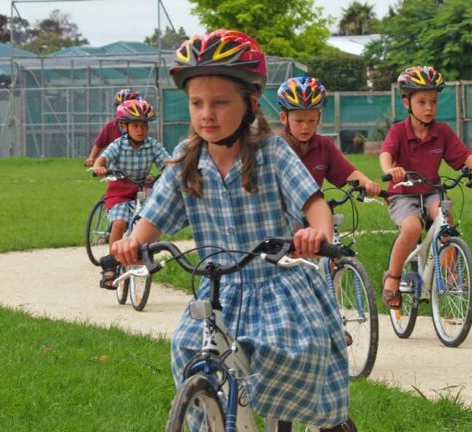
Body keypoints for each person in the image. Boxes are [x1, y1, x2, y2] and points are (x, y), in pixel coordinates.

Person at [109, 30, 355, 431]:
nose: (207, 113)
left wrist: (318, 235)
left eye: (220, 102)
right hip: (218, 289)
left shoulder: (272, 153)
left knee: (291, 355)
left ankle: (318, 422)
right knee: (187, 349)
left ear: (250, 104)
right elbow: (152, 220)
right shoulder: (187, 160)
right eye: (197, 103)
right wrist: (132, 243)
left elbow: (314, 205)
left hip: (277, 285)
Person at [379, 65, 472, 309]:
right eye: (421, 102)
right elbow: (385, 154)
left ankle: (449, 275)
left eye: (433, 102)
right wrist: (390, 170)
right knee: (411, 228)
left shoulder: (442, 132)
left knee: (445, 216)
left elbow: (464, 155)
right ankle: (393, 278)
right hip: (403, 194)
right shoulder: (398, 131)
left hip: (431, 191)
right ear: (407, 103)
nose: (428, 108)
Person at [92, 98, 170, 289]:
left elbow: (168, 163)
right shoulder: (118, 145)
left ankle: (144, 254)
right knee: (119, 223)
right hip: (120, 190)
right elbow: (101, 159)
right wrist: (99, 167)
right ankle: (110, 267)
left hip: (143, 189)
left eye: (144, 126)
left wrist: (174, 171)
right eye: (135, 125)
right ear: (124, 127)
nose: (140, 130)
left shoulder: (153, 145)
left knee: (149, 222)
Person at [276, 76, 381, 196]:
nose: (305, 127)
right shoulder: (274, 147)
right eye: (299, 121)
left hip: (314, 210)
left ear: (319, 118)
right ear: (284, 118)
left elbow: (347, 173)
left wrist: (368, 184)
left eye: (311, 121)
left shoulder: (324, 146)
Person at [84, 88, 142, 167]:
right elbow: (99, 144)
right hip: (115, 169)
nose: (140, 129)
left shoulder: (141, 129)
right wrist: (91, 158)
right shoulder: (111, 126)